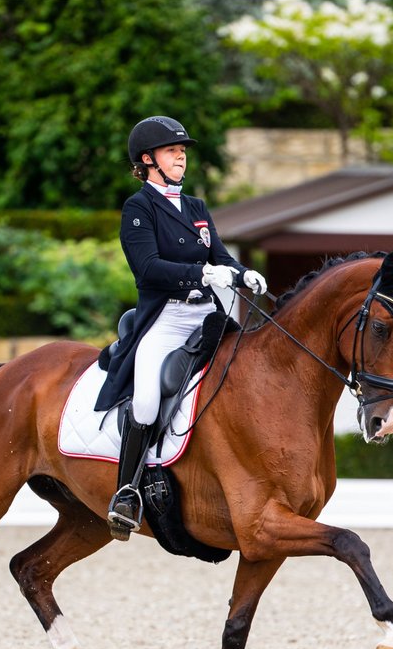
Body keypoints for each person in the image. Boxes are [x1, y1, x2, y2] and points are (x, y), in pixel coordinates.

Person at [94, 115, 268, 538]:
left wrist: (242, 274)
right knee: (149, 397)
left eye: (183, 151)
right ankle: (128, 491)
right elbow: (148, 269)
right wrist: (201, 275)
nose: (181, 158)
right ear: (148, 160)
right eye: (173, 151)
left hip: (206, 315)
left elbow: (221, 255)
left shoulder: (196, 208)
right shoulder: (139, 208)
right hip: (167, 317)